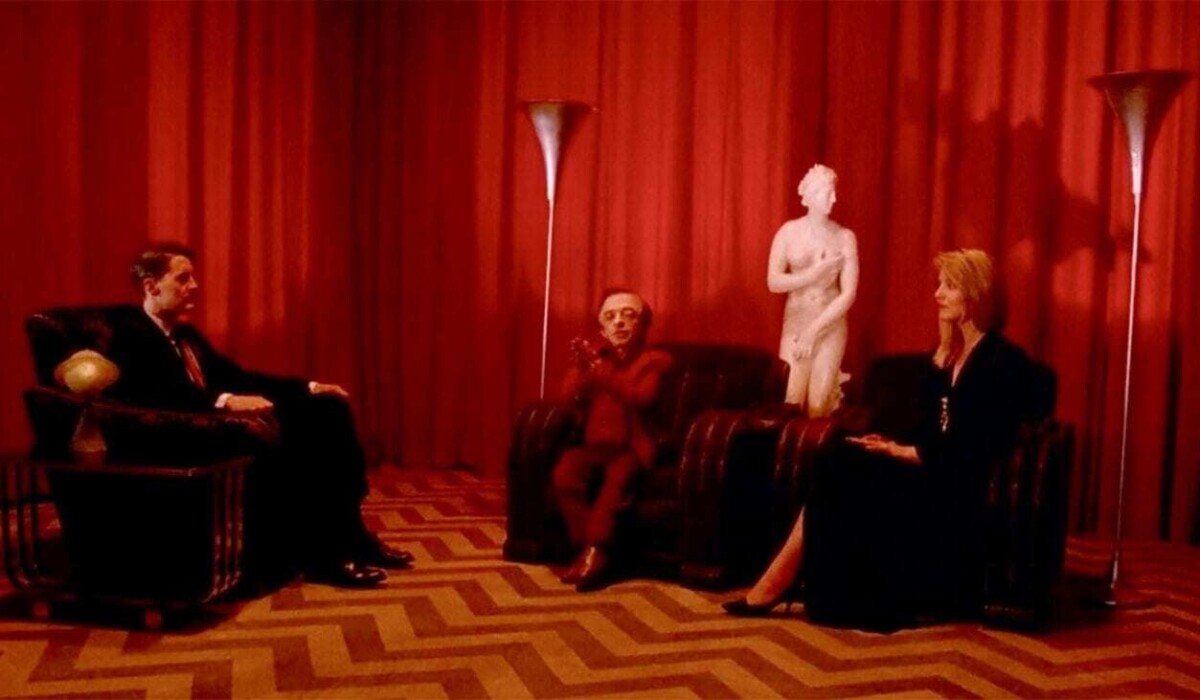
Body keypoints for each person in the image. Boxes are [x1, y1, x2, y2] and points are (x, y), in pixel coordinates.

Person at [726, 249, 1035, 628]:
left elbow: (976, 443)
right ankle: (798, 583)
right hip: (931, 466)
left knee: (839, 467)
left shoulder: (1003, 362)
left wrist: (903, 452)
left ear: (976, 295)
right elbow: (928, 426)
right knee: (835, 457)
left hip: (958, 483)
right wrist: (889, 444)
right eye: (940, 284)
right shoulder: (947, 355)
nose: (938, 293)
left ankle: (781, 582)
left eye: (950, 286)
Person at [105, 242, 413, 589]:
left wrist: (309, 387)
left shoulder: (186, 334)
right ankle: (325, 556)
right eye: (183, 278)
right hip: (178, 436)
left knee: (329, 409)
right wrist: (224, 401)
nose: (194, 286)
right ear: (152, 286)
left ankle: (353, 535)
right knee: (301, 444)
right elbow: (155, 397)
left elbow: (237, 376)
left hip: (215, 422)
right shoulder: (129, 336)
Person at [551, 289, 673, 592]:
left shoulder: (655, 361)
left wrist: (601, 375)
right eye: (610, 316)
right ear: (602, 329)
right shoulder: (596, 359)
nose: (619, 322)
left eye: (628, 315)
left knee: (616, 483)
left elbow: (642, 397)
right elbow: (566, 399)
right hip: (594, 447)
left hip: (631, 448)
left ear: (643, 325)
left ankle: (596, 552)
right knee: (564, 474)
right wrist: (581, 371)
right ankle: (588, 549)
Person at [766, 164, 859, 416]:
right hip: (796, 323)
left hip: (829, 325)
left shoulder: (844, 237)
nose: (834, 199)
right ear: (810, 195)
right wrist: (814, 274)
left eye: (834, 192)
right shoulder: (788, 232)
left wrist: (814, 330)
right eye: (827, 193)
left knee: (818, 404)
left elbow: (848, 294)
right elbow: (773, 282)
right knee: (792, 400)